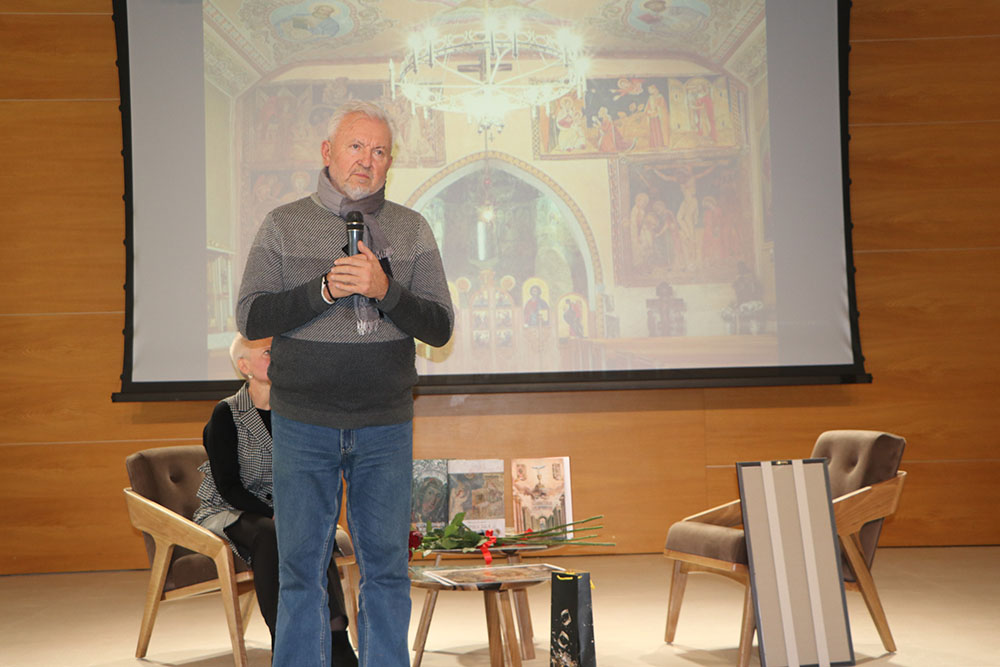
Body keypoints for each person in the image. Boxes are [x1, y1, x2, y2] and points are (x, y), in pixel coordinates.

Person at [236, 99, 454, 667]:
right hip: (303, 421)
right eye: (356, 146)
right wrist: (324, 291)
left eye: (379, 151)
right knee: (300, 570)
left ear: (389, 164)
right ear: (327, 152)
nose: (366, 160)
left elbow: (440, 325)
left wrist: (387, 291)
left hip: (384, 422)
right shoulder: (283, 224)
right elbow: (251, 317)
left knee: (387, 568)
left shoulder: (411, 228)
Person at [193, 334, 357, 665]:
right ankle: (283, 646)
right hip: (231, 509)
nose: (278, 356)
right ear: (244, 366)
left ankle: (337, 640)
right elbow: (228, 486)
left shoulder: (297, 411)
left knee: (313, 530)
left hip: (286, 509)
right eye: (268, 352)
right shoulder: (226, 413)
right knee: (272, 533)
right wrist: (276, 513)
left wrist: (300, 511)